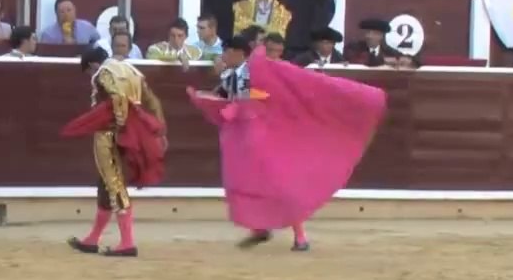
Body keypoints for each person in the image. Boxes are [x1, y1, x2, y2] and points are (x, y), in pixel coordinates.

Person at [187, 45, 387, 252]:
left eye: (228, 53)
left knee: (277, 186)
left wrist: (221, 78)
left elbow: (242, 93)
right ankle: (265, 230)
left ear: (239, 54)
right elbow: (226, 96)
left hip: (263, 138)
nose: (224, 56)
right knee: (254, 183)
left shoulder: (253, 71)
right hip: (250, 139)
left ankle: (293, 235)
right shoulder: (256, 71)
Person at [60, 46, 167, 258]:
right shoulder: (131, 70)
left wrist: (121, 127)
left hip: (110, 134)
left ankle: (127, 243)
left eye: (90, 73)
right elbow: (153, 101)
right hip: (130, 131)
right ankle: (92, 239)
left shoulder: (104, 73)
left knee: (114, 183)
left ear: (93, 65)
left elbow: (118, 98)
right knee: (106, 185)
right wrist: (159, 130)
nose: (92, 77)